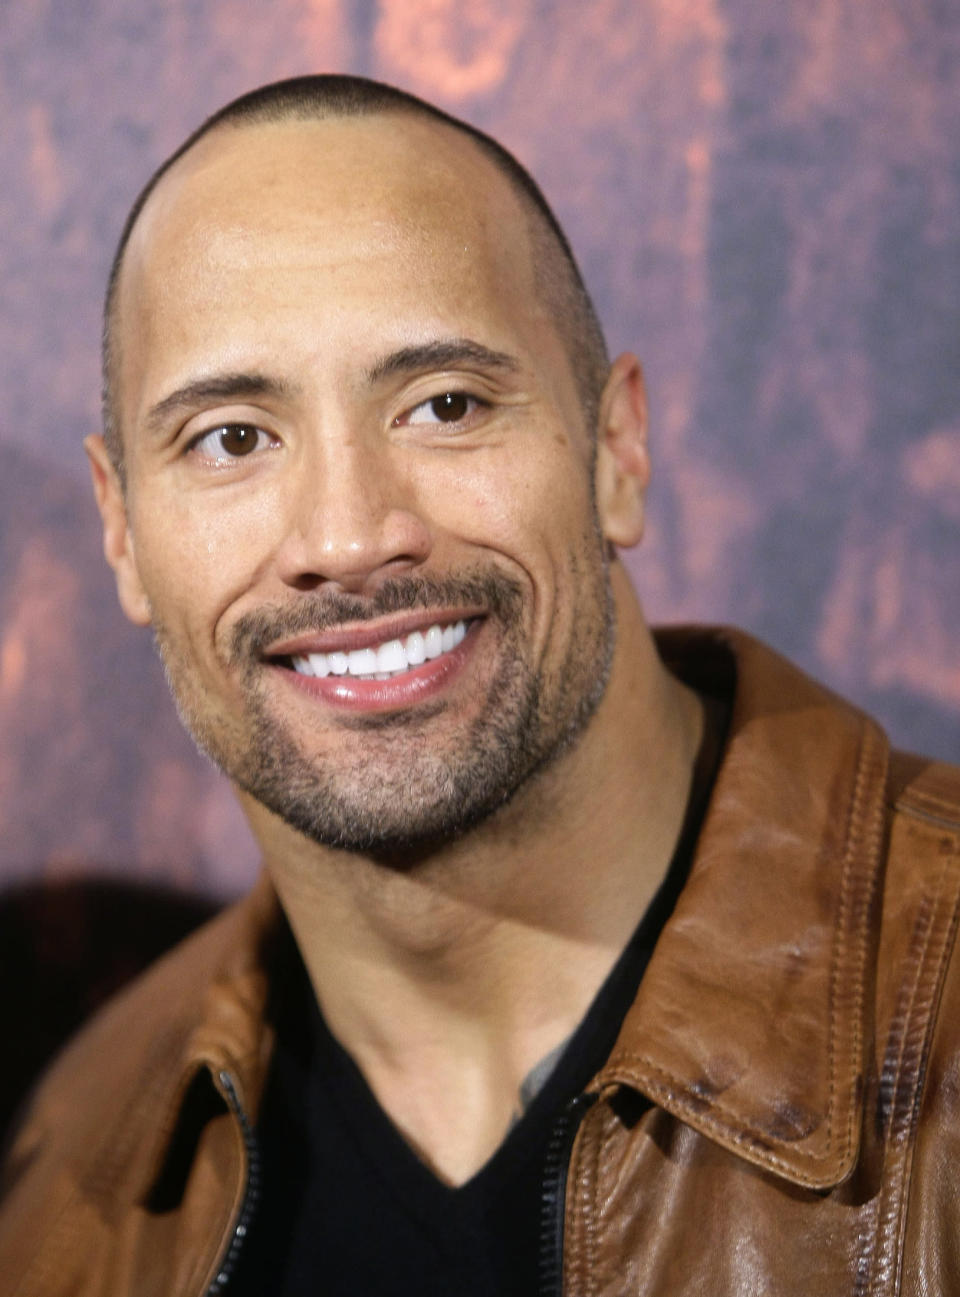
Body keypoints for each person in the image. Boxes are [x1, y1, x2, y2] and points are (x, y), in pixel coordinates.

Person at [1, 74, 958, 1297]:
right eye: (232, 437)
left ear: (617, 450)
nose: (348, 537)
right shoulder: (83, 1176)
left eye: (445, 405)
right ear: (122, 530)